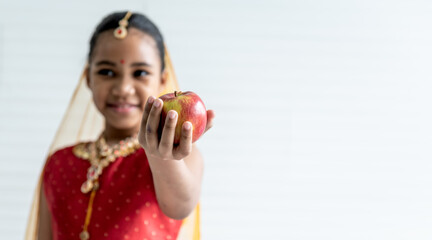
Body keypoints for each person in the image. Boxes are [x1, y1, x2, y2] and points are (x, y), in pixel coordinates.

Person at [25, 11, 215, 240]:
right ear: (88, 78)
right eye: (107, 72)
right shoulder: (58, 163)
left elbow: (179, 207)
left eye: (140, 73)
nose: (123, 88)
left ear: (163, 80)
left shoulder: (179, 159)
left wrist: (162, 159)